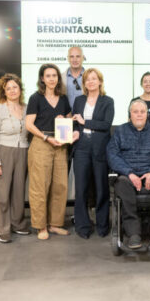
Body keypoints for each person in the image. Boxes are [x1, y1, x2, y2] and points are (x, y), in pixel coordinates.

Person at [107, 99, 150, 250]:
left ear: (147, 114)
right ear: (130, 114)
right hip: (128, 176)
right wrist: (129, 173)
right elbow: (112, 155)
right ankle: (133, 233)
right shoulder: (120, 132)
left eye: (142, 112)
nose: (139, 115)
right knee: (122, 183)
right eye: (135, 112)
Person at [25, 64, 75, 240]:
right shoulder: (35, 98)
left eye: (54, 75)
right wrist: (46, 138)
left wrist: (65, 120)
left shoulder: (63, 99)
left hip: (60, 144)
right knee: (40, 186)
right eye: (48, 76)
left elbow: (69, 120)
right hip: (41, 143)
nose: (52, 79)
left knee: (60, 186)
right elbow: (29, 124)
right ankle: (40, 226)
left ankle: (55, 224)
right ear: (42, 79)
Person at [0, 74, 30, 243]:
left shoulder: (26, 108)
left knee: (19, 192)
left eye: (15, 87)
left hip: (23, 151)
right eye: (8, 88)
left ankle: (18, 224)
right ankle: (1, 229)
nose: (12, 91)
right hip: (3, 151)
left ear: (20, 89)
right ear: (3, 92)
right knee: (1, 193)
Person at [72, 68, 114, 239]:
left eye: (94, 78)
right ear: (84, 83)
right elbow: (76, 124)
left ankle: (103, 225)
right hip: (81, 147)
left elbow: (106, 124)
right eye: (87, 79)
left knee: (101, 188)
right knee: (81, 189)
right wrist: (76, 131)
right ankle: (83, 226)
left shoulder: (108, 101)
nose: (90, 82)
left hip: (100, 148)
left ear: (100, 82)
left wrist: (85, 122)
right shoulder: (79, 100)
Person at [65, 46, 85, 203]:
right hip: (65, 125)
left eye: (78, 56)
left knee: (83, 171)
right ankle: (60, 210)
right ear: (68, 58)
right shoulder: (60, 77)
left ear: (83, 58)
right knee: (63, 168)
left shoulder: (90, 76)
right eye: (72, 56)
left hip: (85, 126)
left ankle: (84, 209)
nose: (75, 59)